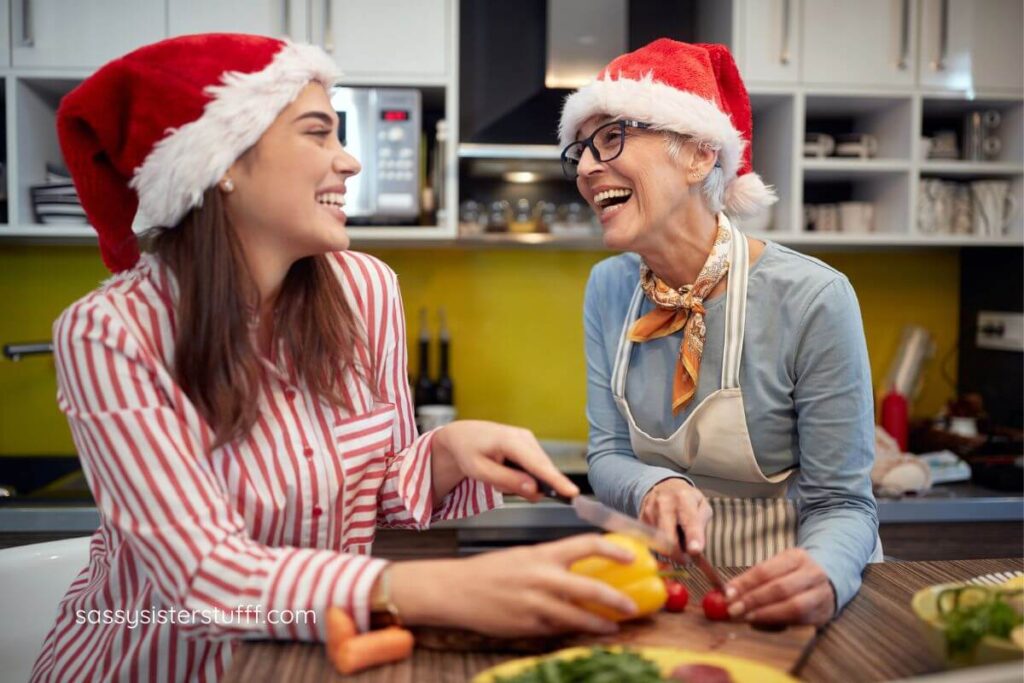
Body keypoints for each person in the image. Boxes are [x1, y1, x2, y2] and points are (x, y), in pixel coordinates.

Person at [31, 34, 637, 683]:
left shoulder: (365, 290)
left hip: (302, 665)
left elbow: (375, 495)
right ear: (223, 161)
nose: (347, 161)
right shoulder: (110, 332)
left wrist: (445, 454)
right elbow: (204, 576)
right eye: (318, 134)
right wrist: (437, 588)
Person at [559, 39, 881, 626]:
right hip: (676, 594)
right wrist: (654, 486)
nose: (584, 167)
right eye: (580, 149)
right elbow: (606, 454)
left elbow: (843, 503)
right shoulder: (609, 290)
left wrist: (826, 575)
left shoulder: (813, 298)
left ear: (700, 156)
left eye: (612, 139)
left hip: (793, 594)